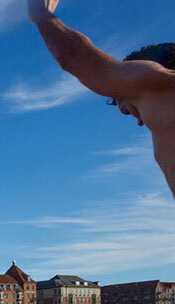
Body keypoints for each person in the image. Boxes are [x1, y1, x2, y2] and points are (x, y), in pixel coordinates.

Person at [28, 0, 175, 200]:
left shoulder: (159, 83)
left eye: (128, 110)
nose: (140, 122)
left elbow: (72, 57)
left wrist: (42, 17)